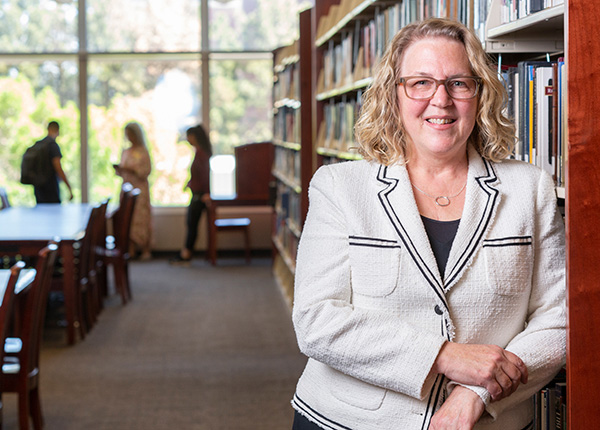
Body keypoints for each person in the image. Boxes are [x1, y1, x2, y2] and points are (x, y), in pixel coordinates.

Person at [291, 18, 565, 430]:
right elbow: (316, 320)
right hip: (348, 420)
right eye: (420, 82)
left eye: (458, 82)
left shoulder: (531, 189)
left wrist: (478, 393)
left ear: (480, 93)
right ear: (393, 94)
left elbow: (557, 319)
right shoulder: (339, 187)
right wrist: (444, 356)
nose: (441, 99)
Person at [170, 125, 212, 265]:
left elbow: (205, 176)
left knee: (192, 223)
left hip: (200, 195)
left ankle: (186, 253)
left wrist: (206, 193)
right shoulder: (199, 152)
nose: (187, 139)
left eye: (189, 136)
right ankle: (186, 252)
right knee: (190, 223)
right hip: (197, 193)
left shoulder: (201, 154)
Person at [114, 121, 153, 260]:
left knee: (141, 218)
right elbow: (122, 171)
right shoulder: (126, 151)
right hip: (127, 188)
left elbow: (146, 171)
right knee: (128, 219)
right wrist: (120, 170)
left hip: (140, 189)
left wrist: (133, 170)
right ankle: (130, 248)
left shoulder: (143, 151)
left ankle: (145, 249)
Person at [33, 121, 74, 204]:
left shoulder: (38, 145)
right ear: (58, 131)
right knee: (54, 214)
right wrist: (69, 188)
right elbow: (58, 168)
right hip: (50, 189)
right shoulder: (52, 146)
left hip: (38, 189)